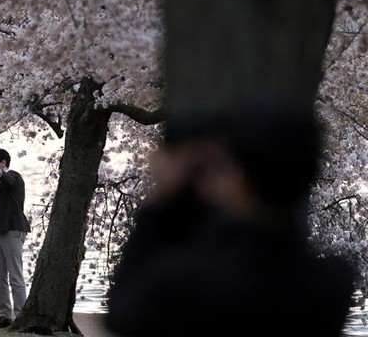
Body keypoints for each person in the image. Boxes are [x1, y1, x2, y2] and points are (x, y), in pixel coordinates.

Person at [105, 106, 355, 336]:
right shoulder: (332, 283)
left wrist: (161, 201)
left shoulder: (184, 282)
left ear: (240, 178)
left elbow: (120, 315)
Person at [0, 148, 31, 329]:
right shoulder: (1, 183)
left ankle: (20, 316)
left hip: (13, 230)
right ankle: (4, 316)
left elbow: (8, 180)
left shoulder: (14, 177)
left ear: (3, 163)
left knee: (15, 276)